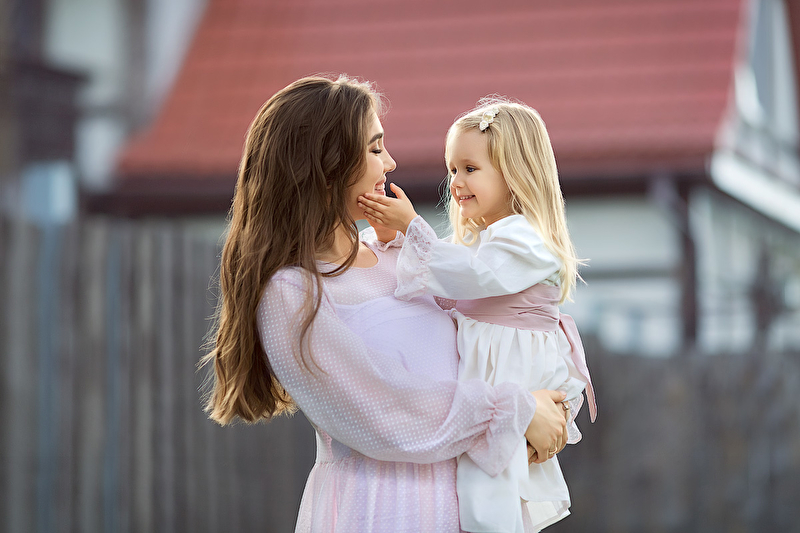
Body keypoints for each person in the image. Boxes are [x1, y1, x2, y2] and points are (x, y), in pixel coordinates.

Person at [200, 75, 570, 533]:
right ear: (327, 164)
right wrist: (516, 412)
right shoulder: (292, 293)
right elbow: (385, 409)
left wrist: (551, 402)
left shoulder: (402, 259)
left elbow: (495, 338)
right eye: (375, 148)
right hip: (383, 510)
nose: (390, 163)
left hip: (467, 508)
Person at [357, 99, 597, 532]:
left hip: (511, 367)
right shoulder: (483, 238)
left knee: (486, 484)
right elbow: (439, 285)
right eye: (452, 169)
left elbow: (472, 277)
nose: (457, 182)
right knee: (485, 479)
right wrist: (394, 237)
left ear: (514, 173)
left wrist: (414, 228)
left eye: (470, 168)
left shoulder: (525, 238)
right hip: (494, 367)